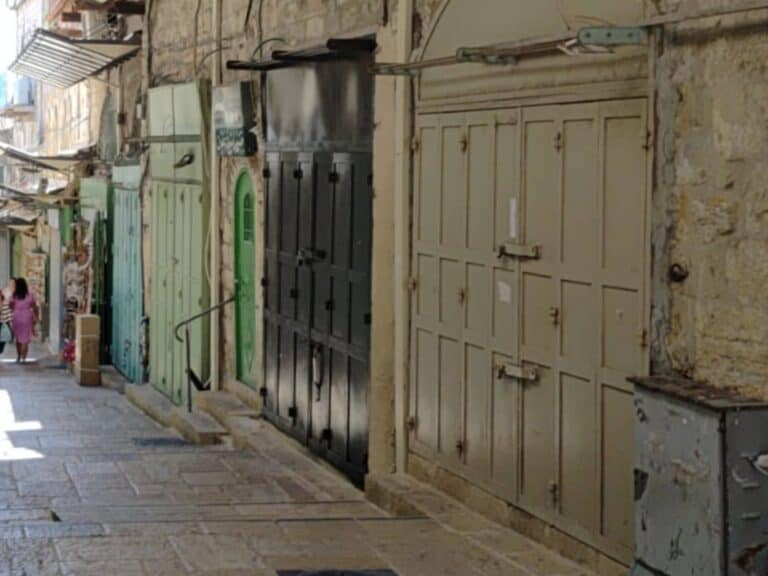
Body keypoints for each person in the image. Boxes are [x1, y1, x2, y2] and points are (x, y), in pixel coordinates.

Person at [10, 278, 38, 363]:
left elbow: (10, 306)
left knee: (18, 338)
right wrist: (36, 316)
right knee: (25, 339)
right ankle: (24, 358)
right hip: (27, 316)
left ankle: (18, 356)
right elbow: (34, 306)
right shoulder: (30, 295)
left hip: (16, 316)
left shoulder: (14, 295)